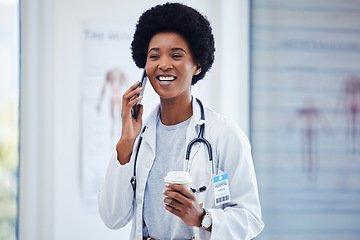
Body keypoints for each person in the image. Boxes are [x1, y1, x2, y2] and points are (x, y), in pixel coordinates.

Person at [98, 3, 264, 240]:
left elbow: (250, 218)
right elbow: (112, 218)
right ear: (144, 68)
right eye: (154, 56)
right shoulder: (138, 136)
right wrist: (125, 143)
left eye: (176, 55)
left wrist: (202, 218)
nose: (164, 64)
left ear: (197, 65)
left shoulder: (224, 135)